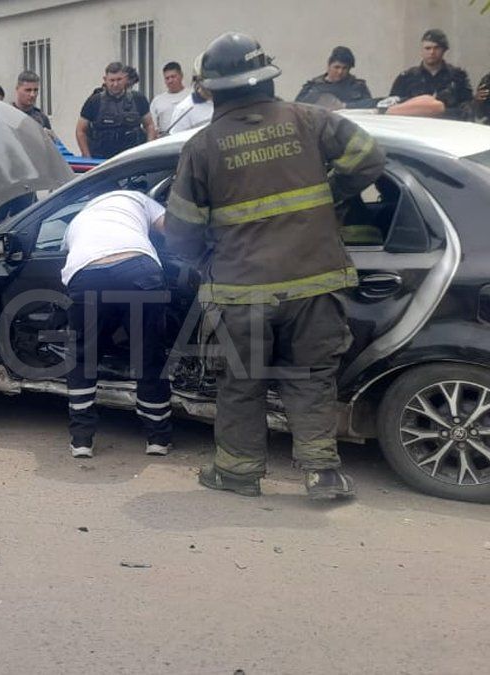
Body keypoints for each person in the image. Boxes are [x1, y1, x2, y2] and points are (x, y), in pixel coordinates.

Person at [165, 32, 385, 500]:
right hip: (314, 282)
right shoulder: (311, 120)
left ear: (211, 88)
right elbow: (369, 158)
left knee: (241, 383)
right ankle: (322, 473)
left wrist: (206, 254)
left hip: (242, 290)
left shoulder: (202, 148)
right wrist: (333, 196)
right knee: (311, 378)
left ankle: (238, 474)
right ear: (266, 77)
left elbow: (180, 231)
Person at [62, 190, 173, 458]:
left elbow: (68, 254)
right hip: (138, 269)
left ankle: (81, 441)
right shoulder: (137, 198)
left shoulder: (77, 220)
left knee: (83, 359)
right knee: (149, 355)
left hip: (86, 274)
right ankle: (157, 438)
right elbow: (171, 229)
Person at [77, 62, 157, 159]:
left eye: (119, 80)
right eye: (112, 80)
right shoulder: (94, 101)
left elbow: (149, 125)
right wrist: (87, 156)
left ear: (126, 79)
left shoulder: (138, 99)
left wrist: (148, 152)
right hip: (102, 158)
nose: (115, 84)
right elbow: (80, 130)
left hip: (132, 158)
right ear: (105, 80)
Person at [390, 29, 473, 120]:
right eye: (428, 48)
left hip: (448, 128)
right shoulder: (406, 78)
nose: (432, 52)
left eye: (436, 48)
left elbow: (468, 108)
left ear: (444, 50)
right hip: (414, 128)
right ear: (421, 50)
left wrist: (441, 111)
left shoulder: (458, 77)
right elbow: (393, 106)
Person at [295, 46, 375, 109]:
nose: (340, 72)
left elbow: (370, 107)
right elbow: (297, 108)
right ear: (329, 66)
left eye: (344, 68)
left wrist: (345, 106)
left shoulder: (357, 87)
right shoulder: (312, 87)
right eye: (336, 67)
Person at [151, 62, 191, 135]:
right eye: (167, 78)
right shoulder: (157, 101)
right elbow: (152, 126)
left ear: (181, 76)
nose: (170, 81)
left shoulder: (192, 96)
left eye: (173, 77)